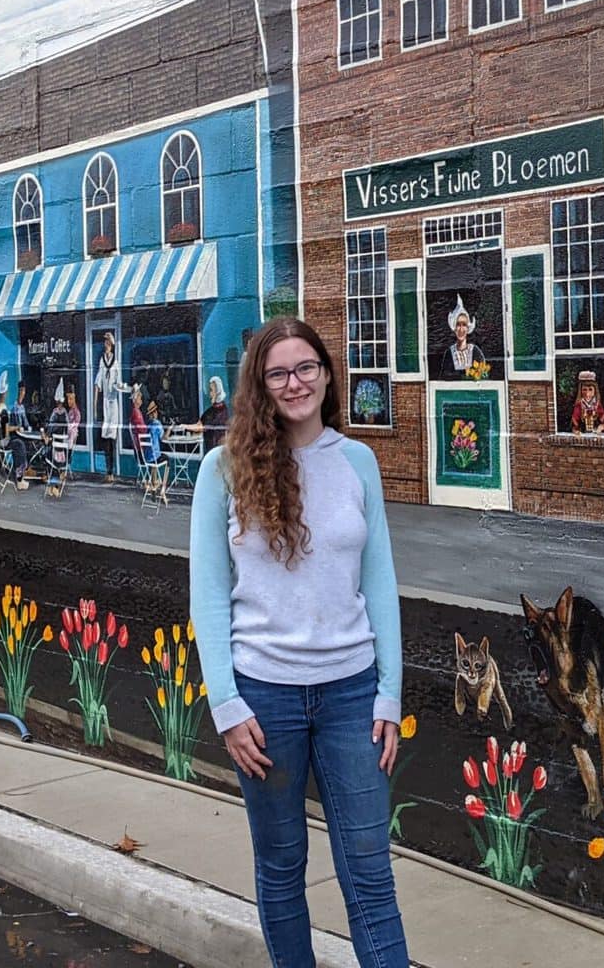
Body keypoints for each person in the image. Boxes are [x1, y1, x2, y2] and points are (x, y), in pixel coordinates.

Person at [188, 317, 408, 968]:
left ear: (326, 374)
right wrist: (227, 705)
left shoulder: (357, 462)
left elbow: (381, 583)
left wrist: (388, 693)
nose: (295, 382)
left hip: (351, 699)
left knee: (370, 871)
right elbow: (206, 594)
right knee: (282, 867)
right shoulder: (222, 470)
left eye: (306, 367)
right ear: (261, 384)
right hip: (264, 702)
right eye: (278, 372)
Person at [95, 332, 126, 479]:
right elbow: (98, 382)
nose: (106, 346)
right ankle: (107, 470)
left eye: (108, 343)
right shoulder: (102, 361)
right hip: (105, 403)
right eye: (105, 343)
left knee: (112, 437)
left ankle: (112, 471)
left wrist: (119, 386)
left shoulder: (116, 363)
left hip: (114, 404)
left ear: (111, 345)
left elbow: (119, 381)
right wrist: (95, 406)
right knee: (105, 437)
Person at [442, 297, 489, 380]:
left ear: (468, 328)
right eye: (458, 325)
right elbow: (444, 377)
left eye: (464, 325)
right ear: (454, 328)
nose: (461, 329)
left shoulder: (475, 351)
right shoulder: (449, 353)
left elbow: (483, 375)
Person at [569, 370, 604, 435]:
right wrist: (576, 430)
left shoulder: (597, 404)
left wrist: (601, 427)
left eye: (590, 389)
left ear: (595, 390)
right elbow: (574, 423)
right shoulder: (579, 405)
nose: (587, 393)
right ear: (580, 391)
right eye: (584, 390)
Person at [199, 375, 230, 454]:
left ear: (218, 391)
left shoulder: (220, 410)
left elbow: (202, 427)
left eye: (211, 390)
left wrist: (185, 427)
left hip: (216, 450)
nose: (210, 394)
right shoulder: (211, 410)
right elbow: (201, 423)